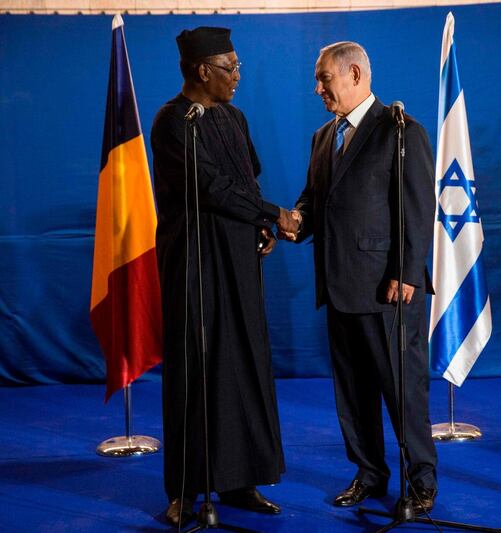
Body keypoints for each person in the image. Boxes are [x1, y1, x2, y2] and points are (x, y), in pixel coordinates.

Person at [279, 41, 438, 514]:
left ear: (353, 73)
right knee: (352, 393)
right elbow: (314, 201)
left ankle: (421, 481)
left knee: (402, 391)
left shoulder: (401, 130)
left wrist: (407, 273)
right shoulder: (323, 137)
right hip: (339, 285)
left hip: (388, 289)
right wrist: (291, 224)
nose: (317, 88)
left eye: (323, 78)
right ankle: (369, 472)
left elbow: (417, 206)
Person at [151, 26, 298, 527]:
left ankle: (241, 480)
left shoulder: (234, 117)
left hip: (238, 259)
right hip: (194, 261)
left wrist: (261, 224)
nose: (238, 76)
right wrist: (271, 213)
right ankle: (185, 489)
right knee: (196, 367)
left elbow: (245, 176)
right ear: (201, 71)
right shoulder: (173, 122)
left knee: (243, 363)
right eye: (230, 67)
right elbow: (210, 186)